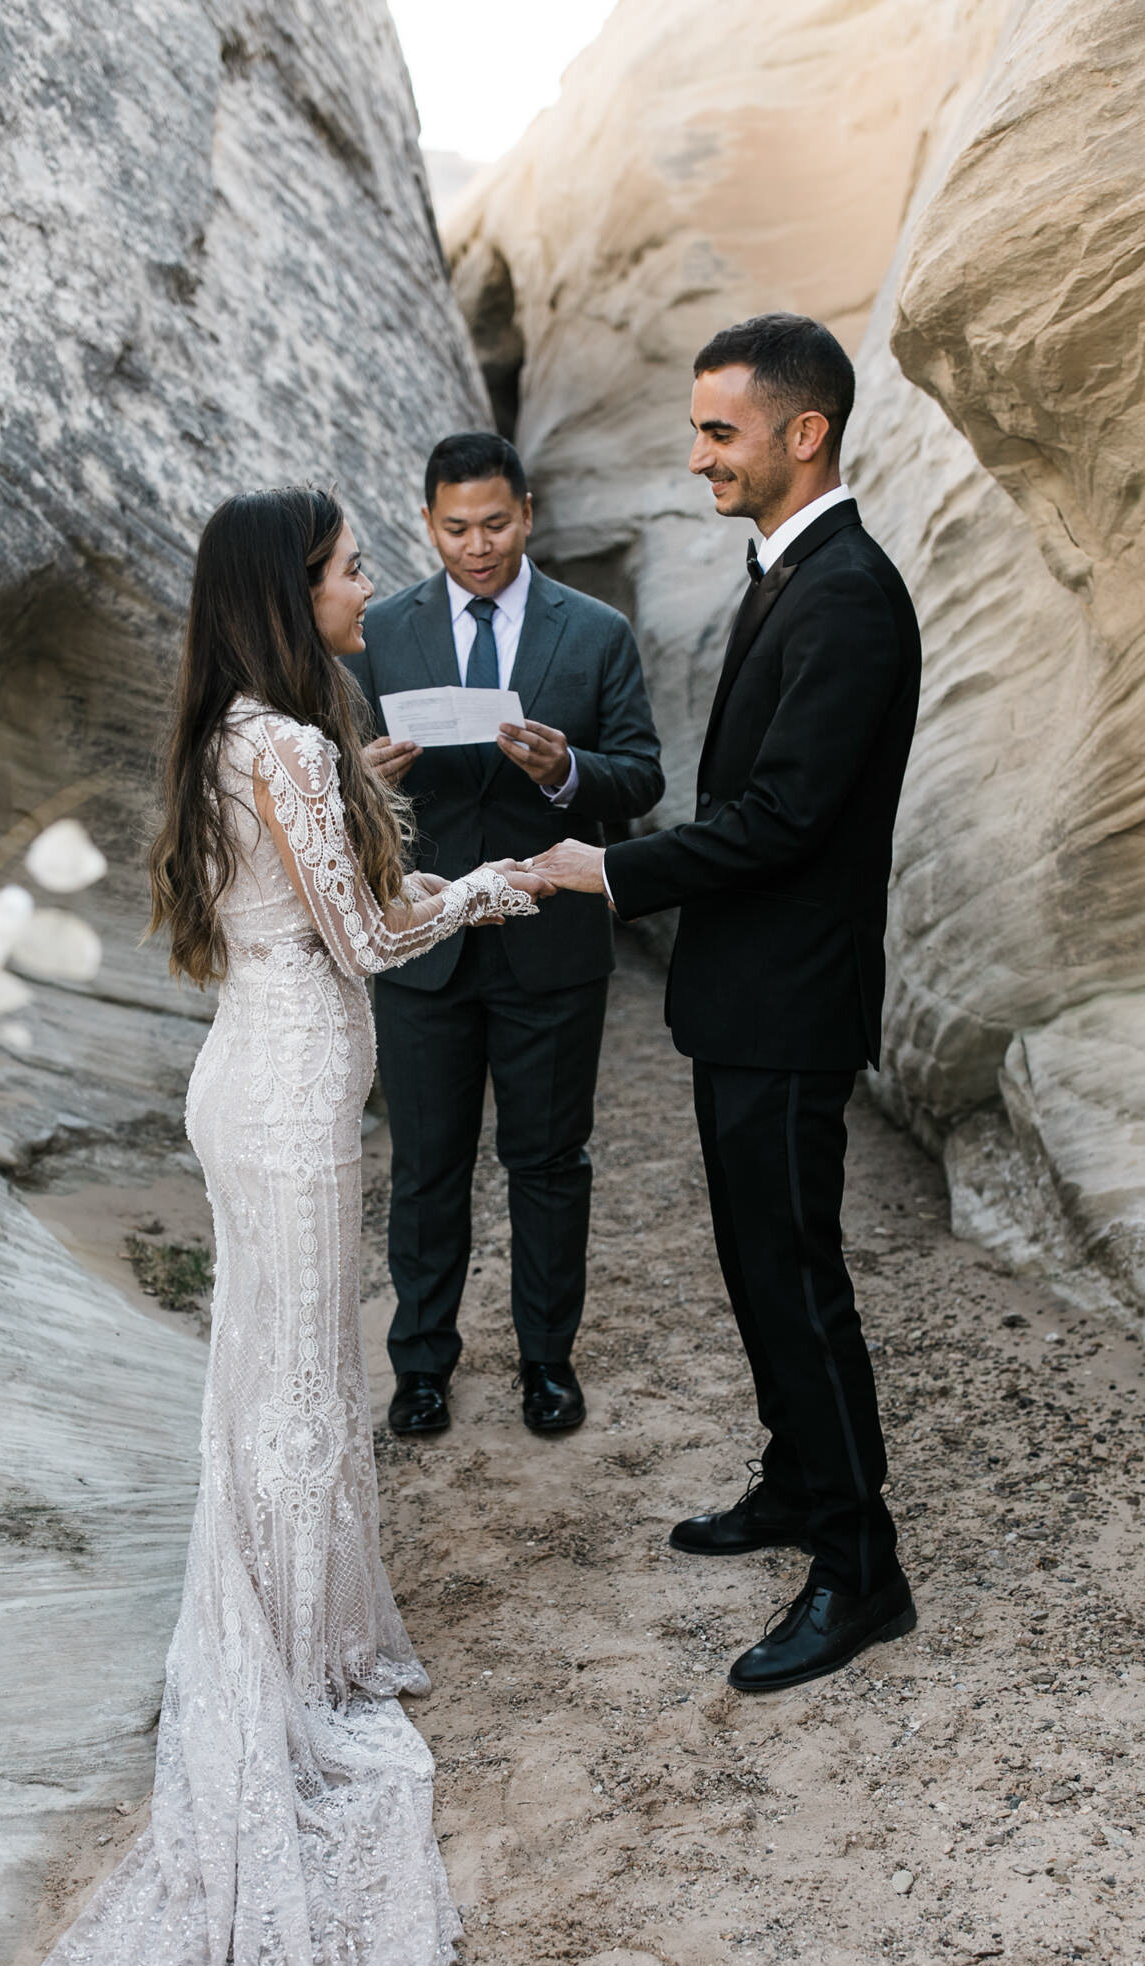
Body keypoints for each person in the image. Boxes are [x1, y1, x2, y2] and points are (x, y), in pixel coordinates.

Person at [0, 488, 549, 1966]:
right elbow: (373, 935)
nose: (367, 588)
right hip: (275, 1088)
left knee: (301, 1392)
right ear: (292, 593)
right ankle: (283, 1665)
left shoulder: (254, 733)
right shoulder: (275, 740)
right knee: (285, 1395)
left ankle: (317, 1630)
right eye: (349, 568)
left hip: (265, 1077)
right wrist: (514, 877)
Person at [533, 314, 919, 1696]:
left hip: (789, 999)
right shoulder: (790, 572)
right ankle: (797, 1481)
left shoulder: (845, 593)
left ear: (801, 432)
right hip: (750, 993)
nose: (695, 453)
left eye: (717, 430)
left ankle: (860, 1569)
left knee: (795, 1275)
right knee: (761, 1265)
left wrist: (609, 868)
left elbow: (784, 818)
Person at [346, 431, 663, 1440]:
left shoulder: (597, 630)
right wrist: (365, 779)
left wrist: (568, 773)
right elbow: (328, 783)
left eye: (493, 523)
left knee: (548, 1160)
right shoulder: (379, 629)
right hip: (424, 938)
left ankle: (546, 1362)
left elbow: (643, 775)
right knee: (427, 1165)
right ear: (426, 523)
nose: (475, 546)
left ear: (526, 513)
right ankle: (422, 1367)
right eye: (453, 528)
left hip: (549, 942)